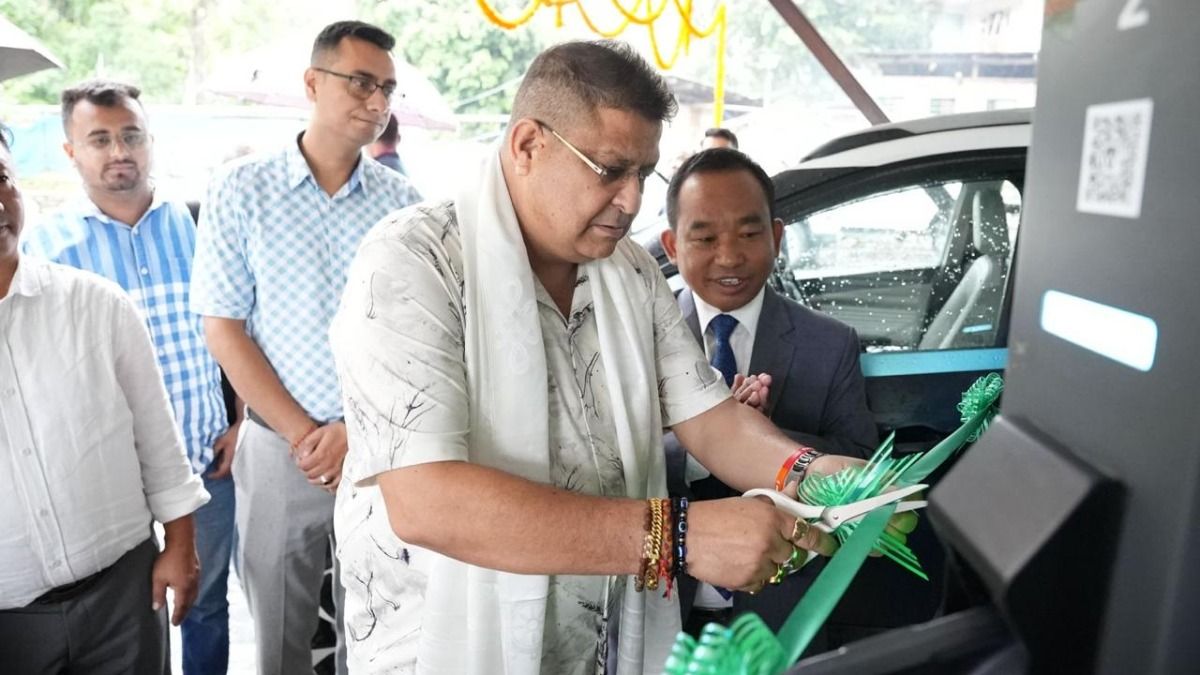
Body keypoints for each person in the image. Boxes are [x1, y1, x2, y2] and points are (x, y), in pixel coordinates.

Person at [329, 40, 914, 674]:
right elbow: (427, 501)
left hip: (597, 643)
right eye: (610, 169)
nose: (632, 201)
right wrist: (676, 537)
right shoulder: (414, 263)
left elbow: (711, 418)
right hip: (443, 645)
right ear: (528, 145)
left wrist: (810, 472)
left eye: (644, 174)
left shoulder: (629, 270)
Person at [191, 20, 421, 675]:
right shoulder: (242, 189)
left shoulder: (404, 204)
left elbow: (414, 337)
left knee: (378, 630)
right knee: (280, 635)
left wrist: (353, 431)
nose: (377, 102)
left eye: (387, 89)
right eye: (361, 83)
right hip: (278, 448)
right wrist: (304, 435)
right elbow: (223, 327)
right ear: (313, 83)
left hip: (376, 449)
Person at [20, 79, 240, 674]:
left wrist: (241, 419)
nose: (119, 151)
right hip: (107, 484)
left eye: (131, 135)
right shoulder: (44, 248)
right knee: (131, 622)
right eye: (100, 139)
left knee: (206, 604)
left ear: (150, 140)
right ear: (71, 151)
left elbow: (240, 326)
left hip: (206, 463)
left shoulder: (201, 226)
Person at [659, 147, 878, 634]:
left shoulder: (829, 343)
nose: (729, 256)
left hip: (784, 613)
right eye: (705, 237)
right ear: (672, 246)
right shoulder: (637, 338)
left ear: (776, 237)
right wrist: (710, 442)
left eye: (749, 233)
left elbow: (860, 460)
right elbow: (604, 466)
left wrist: (766, 439)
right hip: (660, 609)